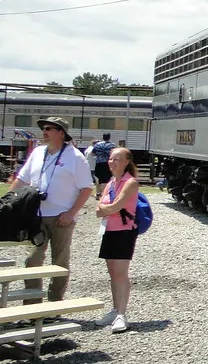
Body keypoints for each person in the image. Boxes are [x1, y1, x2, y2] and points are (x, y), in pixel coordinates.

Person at [10, 117, 94, 307]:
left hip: (61, 217)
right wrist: (8, 201)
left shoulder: (75, 157)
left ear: (61, 133)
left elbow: (86, 188)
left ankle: (55, 306)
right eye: (43, 128)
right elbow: (21, 180)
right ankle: (32, 307)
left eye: (49, 128)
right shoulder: (38, 152)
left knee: (60, 262)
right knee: (32, 260)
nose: (44, 132)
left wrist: (71, 213)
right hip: (35, 216)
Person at [94, 147, 140, 333]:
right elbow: (99, 207)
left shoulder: (131, 183)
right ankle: (114, 310)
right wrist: (106, 208)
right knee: (112, 272)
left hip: (124, 232)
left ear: (127, 162)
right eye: (111, 159)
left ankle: (122, 313)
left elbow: (114, 206)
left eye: (117, 159)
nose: (112, 162)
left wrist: (106, 208)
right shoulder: (111, 182)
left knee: (121, 273)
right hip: (109, 231)